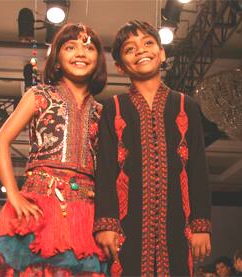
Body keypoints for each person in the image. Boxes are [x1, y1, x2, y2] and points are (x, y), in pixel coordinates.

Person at [0, 22, 107, 276]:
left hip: (85, 211)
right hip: (40, 205)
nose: (81, 53)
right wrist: (14, 195)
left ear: (99, 61)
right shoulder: (38, 95)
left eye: (89, 48)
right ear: (57, 60)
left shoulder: (102, 112)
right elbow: (0, 141)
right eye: (70, 47)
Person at [93, 20, 211, 276]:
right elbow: (104, 170)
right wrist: (106, 223)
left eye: (148, 43)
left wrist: (201, 224)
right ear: (120, 66)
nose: (141, 51)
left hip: (177, 221)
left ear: (162, 52)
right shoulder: (113, 108)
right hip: (126, 223)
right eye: (130, 49)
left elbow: (198, 168)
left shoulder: (185, 106)